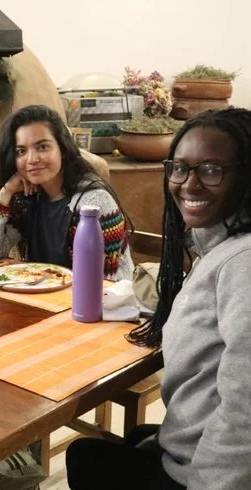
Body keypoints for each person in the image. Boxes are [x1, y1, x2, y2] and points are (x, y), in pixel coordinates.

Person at [65, 108, 251, 489]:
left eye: (211, 170)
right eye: (179, 169)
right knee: (136, 438)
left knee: (84, 455)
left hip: (207, 472)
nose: (189, 184)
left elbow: (245, 410)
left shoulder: (242, 263)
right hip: (188, 442)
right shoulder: (214, 246)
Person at [0, 105, 133, 281]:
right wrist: (5, 193)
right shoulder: (28, 198)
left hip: (102, 297)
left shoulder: (93, 204)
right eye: (21, 151)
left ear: (62, 149)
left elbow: (104, 285)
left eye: (42, 147)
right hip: (46, 295)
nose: (32, 159)